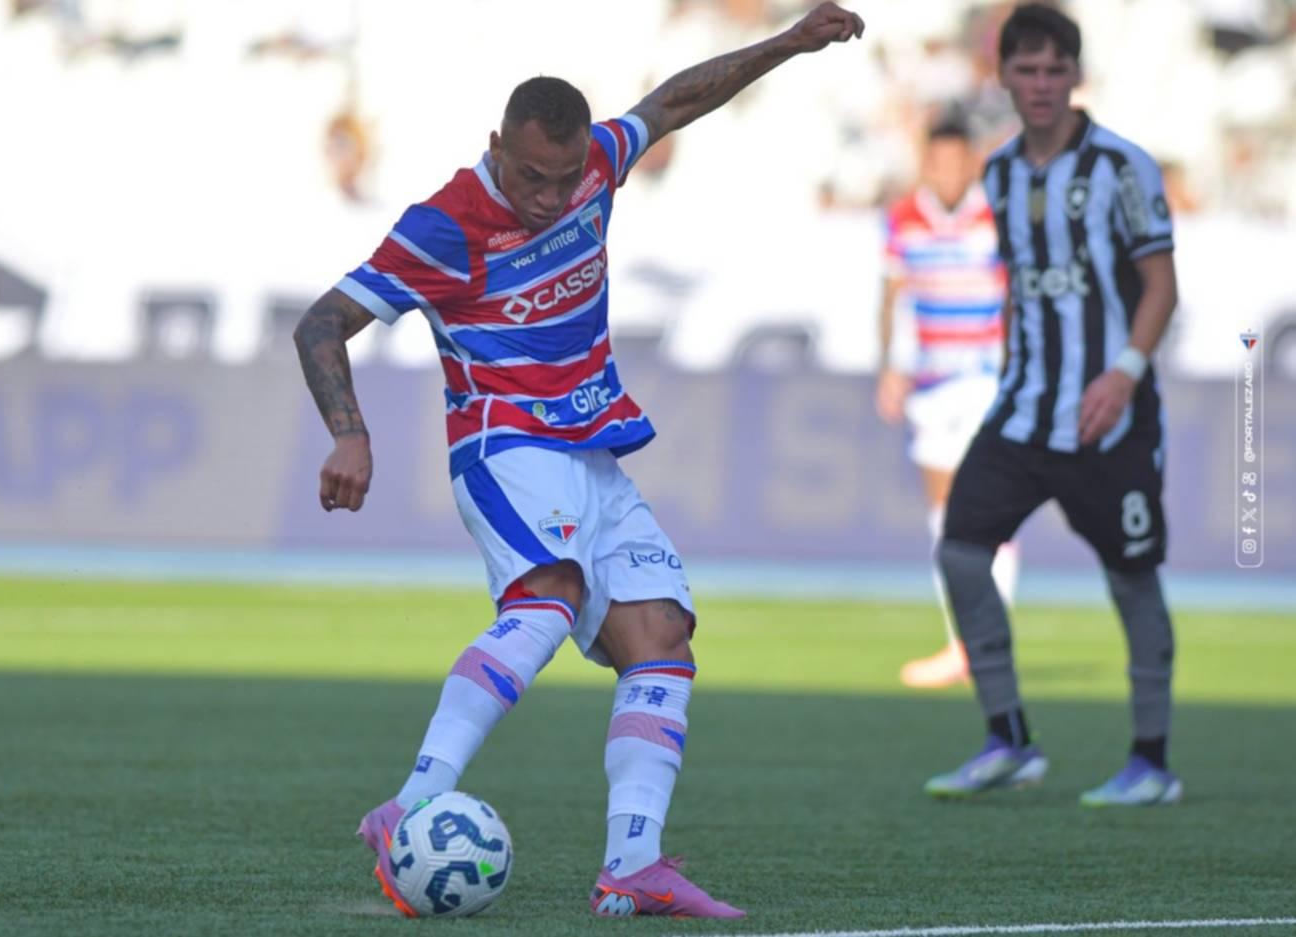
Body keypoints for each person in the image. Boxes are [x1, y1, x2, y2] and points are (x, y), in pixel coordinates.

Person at [293, 3, 865, 917]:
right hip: (505, 443)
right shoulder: (446, 223)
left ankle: (631, 864)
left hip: (590, 447)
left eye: (565, 179)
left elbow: (676, 100)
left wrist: (791, 42)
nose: (554, 197)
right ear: (495, 146)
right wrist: (349, 433)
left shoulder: (597, 162)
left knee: (661, 640)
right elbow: (322, 322)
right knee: (549, 599)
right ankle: (410, 802)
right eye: (532, 177)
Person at [923, 4, 1182, 807]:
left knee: (1132, 578)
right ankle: (1009, 737)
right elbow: (1031, 291)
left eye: (1053, 70)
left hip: (1112, 416)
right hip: (1025, 411)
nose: (1039, 85)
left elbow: (1162, 287)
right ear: (1003, 77)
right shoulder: (999, 173)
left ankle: (1152, 760)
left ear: (1076, 75)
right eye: (1025, 70)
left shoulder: (1122, 166)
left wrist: (1124, 371)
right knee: (961, 551)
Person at [877, 117, 1019, 690]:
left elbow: (1016, 296)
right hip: (933, 382)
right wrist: (890, 363)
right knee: (946, 514)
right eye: (940, 162)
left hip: (985, 377)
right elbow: (890, 295)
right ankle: (966, 638)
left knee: (989, 510)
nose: (950, 173)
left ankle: (980, 638)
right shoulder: (905, 218)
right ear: (926, 163)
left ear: (973, 163)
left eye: (960, 162)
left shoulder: (995, 216)